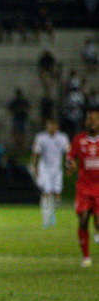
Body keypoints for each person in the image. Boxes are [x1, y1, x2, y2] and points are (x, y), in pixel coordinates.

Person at [66, 108, 99, 267]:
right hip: (84, 187)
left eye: (95, 119)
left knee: (98, 222)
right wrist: (70, 165)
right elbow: (70, 157)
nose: (92, 122)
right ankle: (86, 257)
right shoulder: (79, 140)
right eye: (89, 119)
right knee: (83, 219)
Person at [31, 118, 70, 229]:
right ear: (46, 127)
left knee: (57, 195)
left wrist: (68, 167)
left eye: (53, 125)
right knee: (46, 193)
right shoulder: (41, 137)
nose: (51, 128)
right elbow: (36, 154)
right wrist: (35, 169)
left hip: (57, 170)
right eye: (49, 126)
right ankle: (45, 219)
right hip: (45, 169)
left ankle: (52, 213)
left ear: (57, 126)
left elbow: (69, 153)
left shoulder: (63, 138)